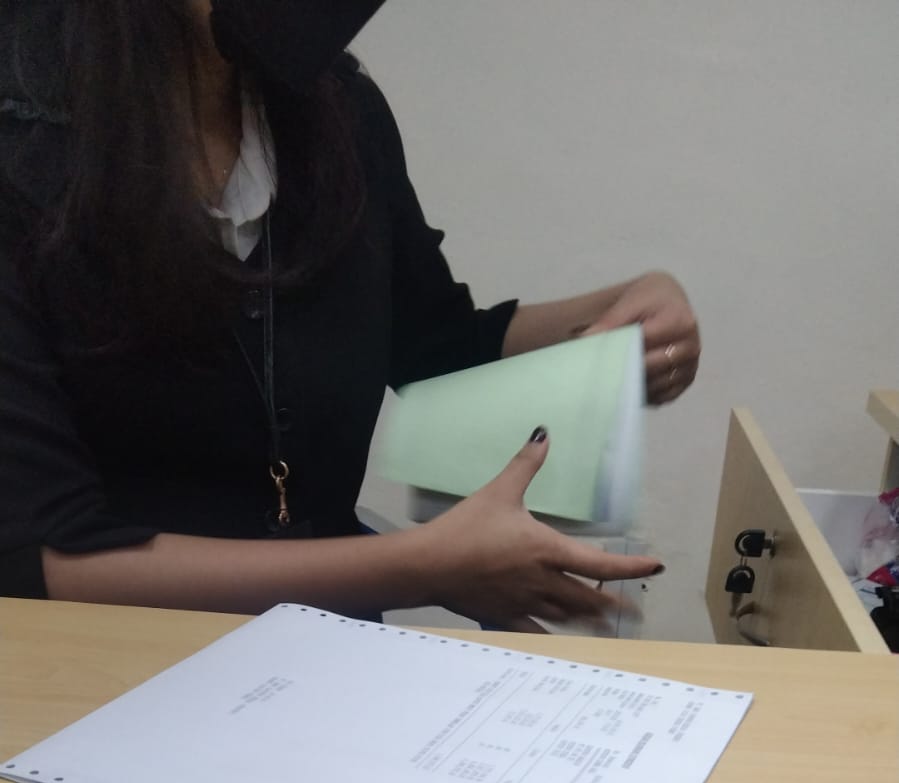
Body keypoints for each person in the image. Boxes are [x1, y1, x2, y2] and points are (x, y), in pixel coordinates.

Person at [0, 0, 701, 630]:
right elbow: (40, 561)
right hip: (98, 676)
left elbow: (434, 349)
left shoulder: (336, 109)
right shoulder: (23, 147)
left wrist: (621, 324)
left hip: (326, 663)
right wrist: (421, 566)